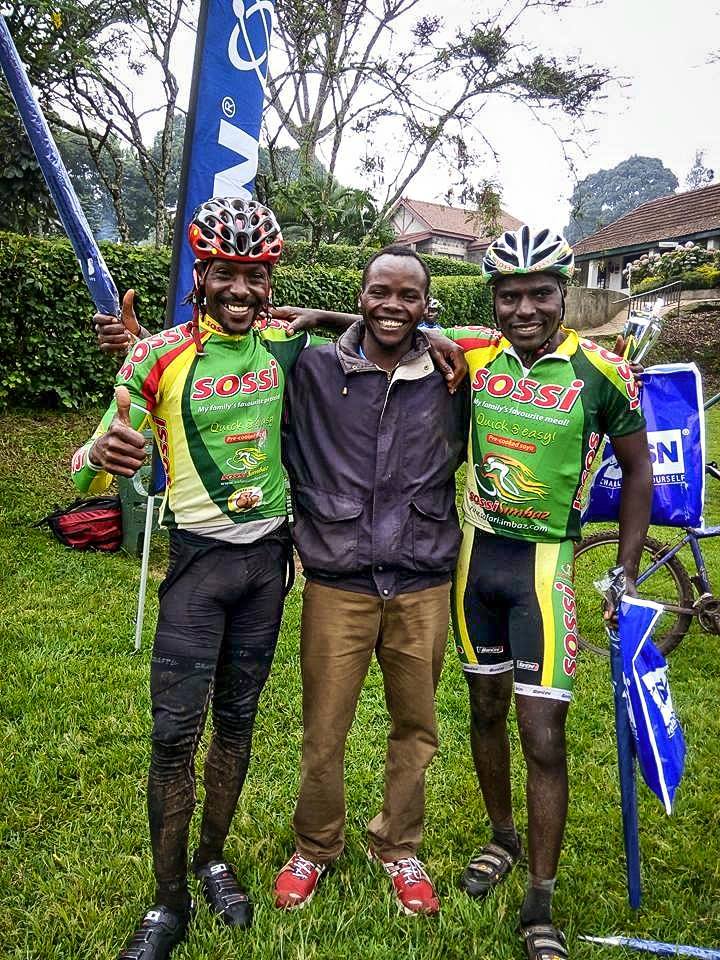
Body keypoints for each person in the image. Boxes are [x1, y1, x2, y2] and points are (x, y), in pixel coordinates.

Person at [72, 197, 329, 960]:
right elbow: (90, 466)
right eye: (226, 274)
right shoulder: (154, 357)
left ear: (269, 283)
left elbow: (367, 331)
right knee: (171, 738)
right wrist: (102, 461)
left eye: (255, 276)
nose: (241, 290)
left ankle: (213, 858)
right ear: (201, 278)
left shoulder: (285, 347)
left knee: (238, 727)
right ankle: (167, 900)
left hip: (265, 568)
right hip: (197, 566)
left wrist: (327, 315)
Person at [442, 226, 651, 960]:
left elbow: (638, 474)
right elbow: (389, 321)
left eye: (539, 294)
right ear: (492, 300)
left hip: (546, 570)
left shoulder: (601, 370)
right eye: (508, 295)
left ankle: (540, 898)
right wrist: (310, 320)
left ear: (564, 294)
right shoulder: (473, 353)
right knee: (484, 710)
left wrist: (624, 567)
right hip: (477, 561)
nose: (523, 308)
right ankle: (501, 837)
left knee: (543, 735)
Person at [271, 245, 469, 916]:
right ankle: (315, 845)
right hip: (339, 578)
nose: (393, 305)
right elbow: (219, 347)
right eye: (379, 292)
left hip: (422, 579)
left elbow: (521, 334)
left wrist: (438, 341)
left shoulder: (452, 374)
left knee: (417, 726)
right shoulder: (313, 368)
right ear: (360, 296)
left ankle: (398, 845)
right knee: (324, 729)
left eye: (408, 296)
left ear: (427, 306)